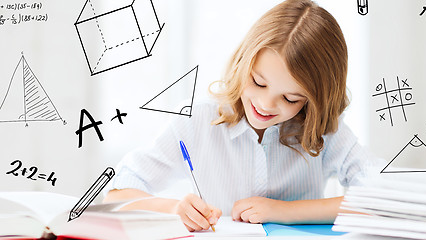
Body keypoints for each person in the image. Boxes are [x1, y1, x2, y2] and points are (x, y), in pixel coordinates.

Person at [104, 0, 381, 232]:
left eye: (290, 98)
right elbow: (118, 191)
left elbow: (379, 197)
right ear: (243, 61)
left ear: (314, 101)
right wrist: (174, 208)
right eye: (258, 82)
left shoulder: (322, 129)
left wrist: (282, 211)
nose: (265, 104)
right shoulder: (198, 119)